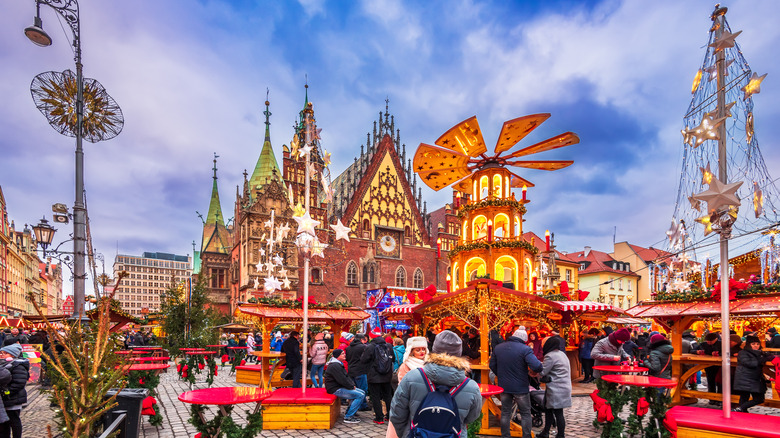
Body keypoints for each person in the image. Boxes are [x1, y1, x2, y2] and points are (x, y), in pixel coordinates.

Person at [388, 330, 482, 438]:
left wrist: (405, 434)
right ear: (459, 353)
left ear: (434, 349)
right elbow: (471, 417)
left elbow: (396, 415)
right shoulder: (471, 387)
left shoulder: (411, 377)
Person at [489, 327, 543, 438]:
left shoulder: (498, 348)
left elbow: (492, 365)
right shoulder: (525, 349)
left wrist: (501, 375)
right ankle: (526, 436)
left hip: (504, 386)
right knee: (525, 413)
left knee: (505, 412)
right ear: (524, 339)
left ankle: (505, 436)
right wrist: (530, 372)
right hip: (521, 387)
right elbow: (537, 366)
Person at [537, 336, 571, 438]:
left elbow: (543, 371)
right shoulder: (562, 354)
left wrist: (535, 365)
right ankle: (545, 432)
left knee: (558, 413)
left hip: (556, 388)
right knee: (548, 410)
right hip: (563, 387)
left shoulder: (550, 356)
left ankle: (561, 435)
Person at [733, 335, 775, 412]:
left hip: (753, 378)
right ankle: (741, 410)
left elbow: (767, 358)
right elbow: (751, 364)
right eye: (753, 344)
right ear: (749, 345)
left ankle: (741, 410)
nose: (756, 346)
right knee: (752, 398)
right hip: (745, 378)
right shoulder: (743, 353)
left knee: (756, 398)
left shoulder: (759, 353)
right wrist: (763, 359)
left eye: (757, 344)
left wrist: (769, 356)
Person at [324, 348, 366, 424]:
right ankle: (348, 416)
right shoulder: (335, 366)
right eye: (342, 354)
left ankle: (350, 411)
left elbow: (345, 377)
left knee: (361, 392)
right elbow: (342, 379)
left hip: (338, 387)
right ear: (337, 356)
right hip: (335, 389)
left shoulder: (338, 364)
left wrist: (352, 385)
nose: (344, 355)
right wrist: (351, 386)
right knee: (360, 395)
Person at [361, 330, 394, 424]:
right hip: (387, 375)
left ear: (371, 337)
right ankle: (389, 416)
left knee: (375, 397)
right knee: (388, 396)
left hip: (374, 376)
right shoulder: (388, 346)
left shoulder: (370, 346)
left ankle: (379, 418)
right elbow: (393, 359)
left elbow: (363, 360)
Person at [0, 344, 29, 438]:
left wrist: (7, 392)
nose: (2, 355)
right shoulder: (3, 364)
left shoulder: (18, 365)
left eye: (5, 353)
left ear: (12, 355)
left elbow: (19, 383)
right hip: (5, 398)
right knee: (4, 422)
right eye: (1, 353)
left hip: (14, 398)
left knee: (14, 421)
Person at [694, 332, 722, 404]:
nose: (708, 342)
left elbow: (728, 353)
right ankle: (711, 399)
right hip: (708, 366)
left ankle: (720, 399)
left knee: (720, 383)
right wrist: (697, 352)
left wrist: (719, 354)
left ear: (716, 339)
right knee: (710, 381)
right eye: (707, 341)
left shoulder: (721, 344)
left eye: (710, 341)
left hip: (720, 366)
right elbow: (692, 350)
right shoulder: (703, 344)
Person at [346, 334, 370, 411]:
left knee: (354, 390)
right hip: (360, 370)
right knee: (362, 389)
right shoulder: (363, 347)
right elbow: (366, 358)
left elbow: (347, 359)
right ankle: (362, 405)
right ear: (361, 340)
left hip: (351, 370)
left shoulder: (348, 348)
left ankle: (353, 406)